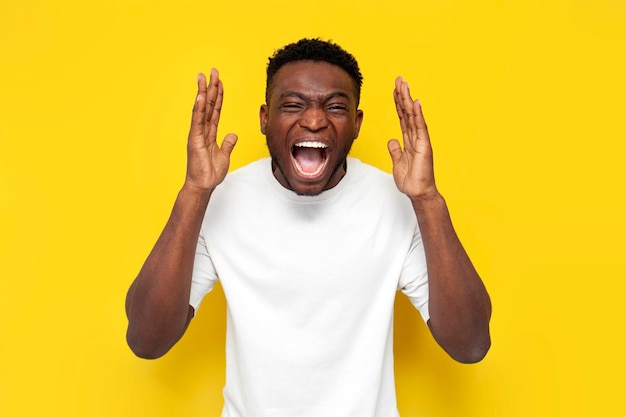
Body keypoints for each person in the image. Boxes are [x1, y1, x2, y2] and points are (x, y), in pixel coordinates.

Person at [125, 38, 491, 416]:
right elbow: (146, 339)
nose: (314, 120)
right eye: (293, 105)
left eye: (334, 107)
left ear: (356, 124)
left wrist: (428, 201)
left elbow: (470, 344)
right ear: (265, 119)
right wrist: (194, 191)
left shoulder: (397, 202)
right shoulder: (219, 201)